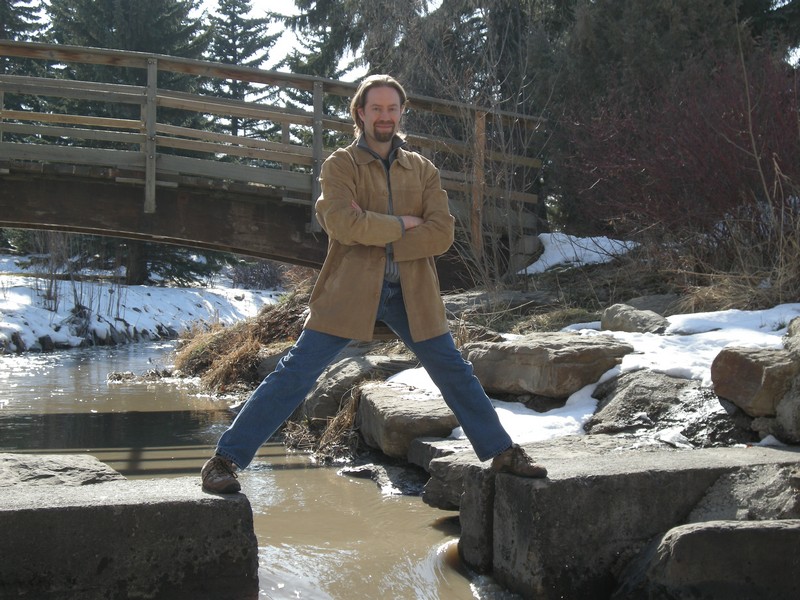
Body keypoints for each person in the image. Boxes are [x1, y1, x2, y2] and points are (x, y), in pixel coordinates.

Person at [201, 74, 547, 494]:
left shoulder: (423, 170)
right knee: (295, 373)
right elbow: (342, 225)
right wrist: (405, 223)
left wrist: (373, 227)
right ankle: (224, 460)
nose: (385, 116)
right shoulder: (340, 165)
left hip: (412, 292)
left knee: (454, 370)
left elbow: (442, 234)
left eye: (392, 108)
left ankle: (502, 452)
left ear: (401, 113)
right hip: (349, 290)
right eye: (376, 108)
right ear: (360, 114)